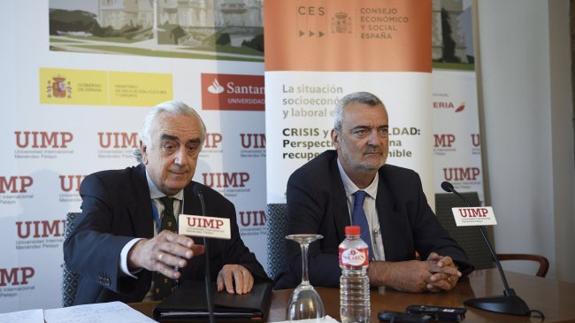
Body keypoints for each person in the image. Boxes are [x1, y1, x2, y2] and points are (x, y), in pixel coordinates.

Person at [64, 100, 268, 304]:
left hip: (187, 316)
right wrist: (137, 251)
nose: (182, 160)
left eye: (191, 148)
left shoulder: (214, 205)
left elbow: (256, 273)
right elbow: (78, 246)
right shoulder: (108, 188)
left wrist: (240, 271)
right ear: (144, 150)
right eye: (169, 147)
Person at [276, 92, 473, 292]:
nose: (376, 141)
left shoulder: (405, 183)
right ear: (336, 139)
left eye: (383, 131)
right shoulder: (309, 182)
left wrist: (445, 269)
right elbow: (305, 262)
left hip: (397, 306)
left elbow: (444, 245)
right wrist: (388, 274)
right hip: (335, 303)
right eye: (362, 131)